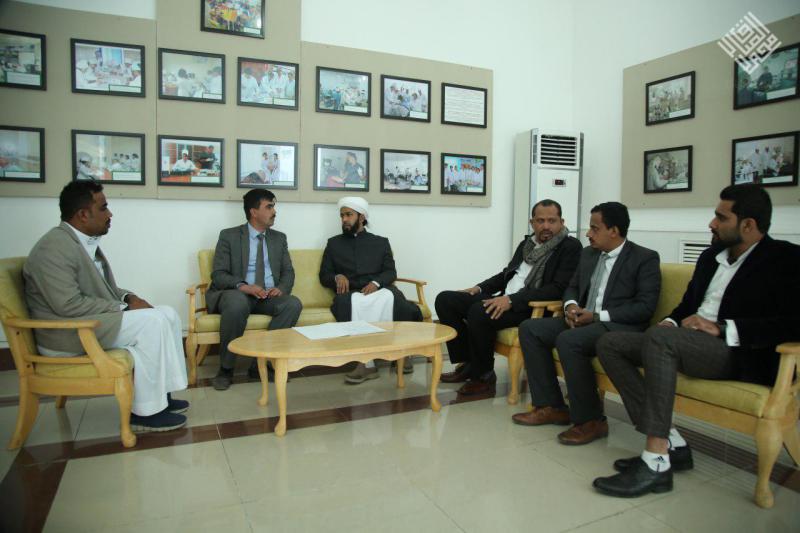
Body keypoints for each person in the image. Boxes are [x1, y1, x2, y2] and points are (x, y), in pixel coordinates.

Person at [592, 185, 800, 498]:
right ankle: (673, 443)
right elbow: (687, 306)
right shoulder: (710, 256)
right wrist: (670, 322)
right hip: (687, 342)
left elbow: (793, 322)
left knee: (660, 340)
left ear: (748, 225)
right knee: (611, 344)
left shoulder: (786, 259)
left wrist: (724, 328)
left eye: (721, 218)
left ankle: (656, 460)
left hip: (738, 352)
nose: (712, 224)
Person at [23, 181, 189, 432]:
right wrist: (123, 309)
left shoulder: (82, 242)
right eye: (103, 208)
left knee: (166, 313)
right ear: (83, 214)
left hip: (88, 322)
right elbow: (67, 304)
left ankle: (162, 395)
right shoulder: (54, 247)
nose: (110, 214)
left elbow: (105, 289)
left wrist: (129, 298)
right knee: (152, 322)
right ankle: (146, 413)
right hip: (66, 334)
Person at [511, 202, 661, 446]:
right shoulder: (589, 254)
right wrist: (570, 307)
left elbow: (645, 308)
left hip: (616, 326)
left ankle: (591, 421)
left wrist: (597, 316)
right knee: (531, 329)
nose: (588, 233)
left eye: (594, 228)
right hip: (583, 320)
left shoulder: (644, 258)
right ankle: (551, 406)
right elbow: (572, 287)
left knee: (569, 340)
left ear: (614, 230)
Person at [435, 200, 582, 393]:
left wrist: (511, 300)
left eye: (551, 221)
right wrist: (479, 288)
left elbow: (557, 289)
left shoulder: (570, 247)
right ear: (532, 223)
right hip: (506, 298)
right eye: (540, 221)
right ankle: (469, 363)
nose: (546, 226)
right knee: (446, 300)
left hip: (530, 307)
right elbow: (507, 274)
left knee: (480, 312)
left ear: (561, 222)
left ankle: (484, 375)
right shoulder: (527, 244)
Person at [206, 189, 302, 390]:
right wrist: (244, 286)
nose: (274, 211)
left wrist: (281, 288)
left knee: (292, 304)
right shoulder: (229, 236)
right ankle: (226, 369)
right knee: (237, 303)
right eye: (269, 207)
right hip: (238, 293)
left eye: (274, 206)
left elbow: (288, 272)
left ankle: (261, 364)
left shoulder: (279, 238)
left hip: (267, 296)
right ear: (253, 211)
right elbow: (219, 274)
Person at [319, 197, 422, 384]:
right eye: (342, 215)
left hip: (379, 290)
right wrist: (337, 277)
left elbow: (390, 272)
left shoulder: (381, 242)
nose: (344, 219)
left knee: (394, 299)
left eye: (348, 215)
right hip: (352, 293)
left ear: (361, 217)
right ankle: (366, 363)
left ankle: (402, 353)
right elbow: (324, 275)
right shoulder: (333, 244)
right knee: (350, 303)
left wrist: (376, 282)